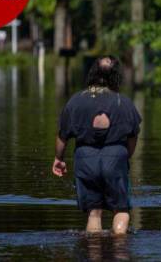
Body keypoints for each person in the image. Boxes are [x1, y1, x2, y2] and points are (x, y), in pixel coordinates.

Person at [53, 56, 142, 234]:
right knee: (121, 210)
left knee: (94, 212)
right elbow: (133, 137)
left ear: (92, 72)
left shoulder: (76, 100)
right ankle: (119, 248)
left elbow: (63, 136)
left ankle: (93, 252)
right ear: (117, 75)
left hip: (85, 158)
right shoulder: (124, 102)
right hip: (116, 156)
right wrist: (125, 157)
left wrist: (58, 158)